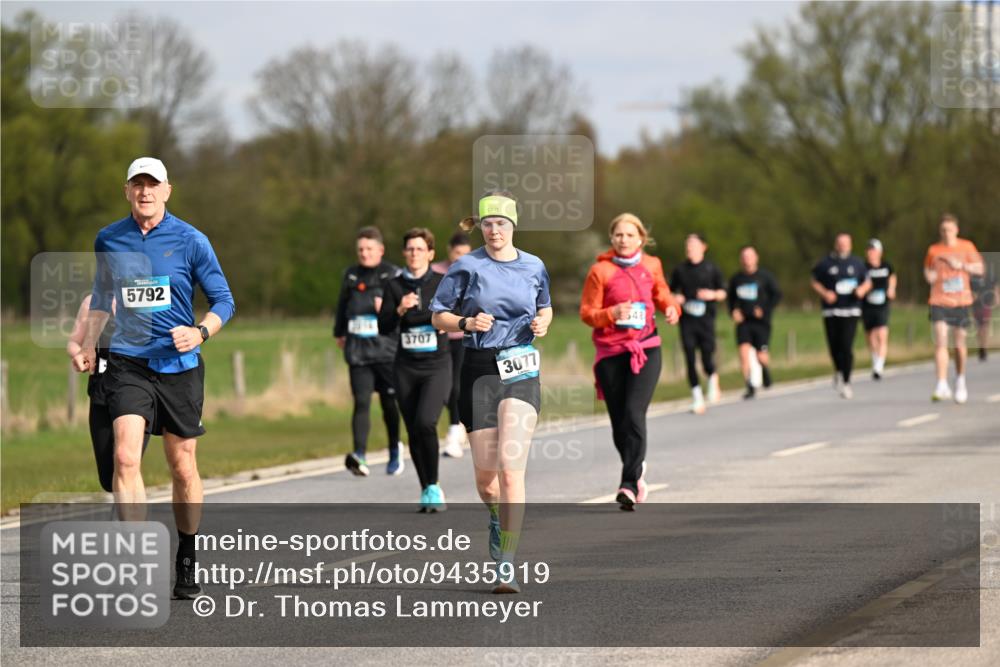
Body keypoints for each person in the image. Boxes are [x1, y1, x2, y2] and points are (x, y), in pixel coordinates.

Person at [80, 157, 236, 600]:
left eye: (153, 185)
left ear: (168, 190)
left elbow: (224, 300)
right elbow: (103, 296)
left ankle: (186, 556)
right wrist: (89, 343)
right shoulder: (109, 238)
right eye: (137, 185)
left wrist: (200, 331)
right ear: (126, 190)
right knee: (126, 459)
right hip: (128, 363)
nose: (145, 192)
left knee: (183, 467)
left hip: (179, 368)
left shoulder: (191, 240)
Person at [431, 190, 553, 594]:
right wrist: (466, 323)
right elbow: (437, 317)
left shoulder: (534, 265)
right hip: (480, 369)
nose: (494, 230)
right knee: (487, 483)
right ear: (479, 226)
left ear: (513, 225)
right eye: (487, 223)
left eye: (501, 223)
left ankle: (507, 564)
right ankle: (498, 520)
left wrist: (543, 323)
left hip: (520, 368)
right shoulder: (466, 267)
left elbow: (545, 306)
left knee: (510, 468)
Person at [580, 213, 679, 511]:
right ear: (612, 239)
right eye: (618, 235)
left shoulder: (652, 265)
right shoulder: (601, 271)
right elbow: (587, 312)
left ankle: (628, 483)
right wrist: (611, 314)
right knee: (619, 422)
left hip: (646, 348)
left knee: (634, 412)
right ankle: (636, 468)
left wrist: (672, 308)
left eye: (630, 235)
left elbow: (662, 294)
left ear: (641, 239)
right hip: (611, 353)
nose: (624, 240)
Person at [379, 228, 451, 512]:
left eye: (420, 249)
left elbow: (447, 318)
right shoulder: (394, 285)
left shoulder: (443, 283)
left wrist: (423, 315)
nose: (414, 253)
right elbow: (383, 326)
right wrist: (398, 309)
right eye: (409, 249)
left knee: (426, 422)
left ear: (430, 253)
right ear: (404, 253)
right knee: (412, 429)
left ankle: (434, 484)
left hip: (437, 365)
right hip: (405, 366)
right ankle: (426, 489)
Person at [333, 227, 404, 477]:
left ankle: (395, 450)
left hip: (386, 351)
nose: (364, 253)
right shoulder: (351, 275)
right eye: (360, 249)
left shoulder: (393, 274)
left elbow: (403, 310)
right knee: (361, 402)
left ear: (380, 250)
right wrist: (339, 332)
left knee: (389, 404)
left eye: (369, 249)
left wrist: (385, 308)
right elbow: (342, 306)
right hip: (358, 351)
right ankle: (360, 456)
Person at [67, 295, 150, 492]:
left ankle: (129, 520)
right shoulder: (91, 302)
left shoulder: (144, 296)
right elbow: (73, 342)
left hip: (137, 390)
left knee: (127, 463)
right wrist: (80, 354)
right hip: (102, 391)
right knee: (108, 478)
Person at [924, 214, 984, 403]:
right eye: (943, 230)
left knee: (959, 345)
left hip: (960, 301)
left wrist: (963, 265)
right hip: (939, 300)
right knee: (941, 341)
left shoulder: (966, 247)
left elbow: (980, 268)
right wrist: (929, 276)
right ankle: (941, 383)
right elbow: (927, 268)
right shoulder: (934, 249)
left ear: (956, 230)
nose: (946, 233)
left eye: (949, 229)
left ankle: (960, 380)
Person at [669, 234, 726, 414]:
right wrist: (675, 298)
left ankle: (712, 377)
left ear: (703, 247)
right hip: (687, 320)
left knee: (707, 355)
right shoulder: (680, 270)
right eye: (687, 245)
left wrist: (712, 295)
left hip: (706, 319)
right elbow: (669, 292)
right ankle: (697, 397)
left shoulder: (711, 268)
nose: (689, 248)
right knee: (690, 357)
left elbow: (724, 292)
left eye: (693, 244)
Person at [811, 233, 870, 399]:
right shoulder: (825, 263)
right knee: (834, 346)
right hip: (831, 310)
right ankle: (838, 369)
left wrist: (861, 290)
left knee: (846, 345)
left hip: (851, 310)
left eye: (846, 243)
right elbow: (814, 281)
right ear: (836, 244)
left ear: (850, 245)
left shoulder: (857, 263)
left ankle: (846, 381)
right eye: (840, 243)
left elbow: (867, 281)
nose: (843, 246)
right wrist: (825, 293)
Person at [431, 231, 473, 458]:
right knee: (444, 387)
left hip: (463, 338)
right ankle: (458, 426)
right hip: (440, 338)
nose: (460, 258)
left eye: (465, 254)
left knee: (457, 385)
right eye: (457, 253)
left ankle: (455, 431)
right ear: (449, 251)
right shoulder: (437, 272)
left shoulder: (473, 271)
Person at [727, 246, 782, 399]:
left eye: (750, 256)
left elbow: (777, 295)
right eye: (744, 257)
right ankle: (749, 385)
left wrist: (764, 309)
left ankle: (765, 370)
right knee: (743, 354)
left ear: (756, 258)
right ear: (741, 259)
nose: (747, 260)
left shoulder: (765, 277)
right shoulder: (736, 279)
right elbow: (730, 299)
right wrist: (733, 311)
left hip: (761, 322)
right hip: (744, 322)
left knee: (761, 355)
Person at [862, 239, 897, 380]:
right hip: (867, 305)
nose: (871, 253)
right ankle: (875, 359)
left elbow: (893, 277)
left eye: (874, 250)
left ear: (880, 252)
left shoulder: (886, 266)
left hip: (882, 305)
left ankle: (879, 366)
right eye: (869, 250)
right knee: (870, 336)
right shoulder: (863, 267)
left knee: (882, 334)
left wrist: (892, 289)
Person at [971, 264, 998, 362]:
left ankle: (984, 347)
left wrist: (997, 298)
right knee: (979, 327)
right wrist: (973, 296)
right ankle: (981, 346)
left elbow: (995, 288)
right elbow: (970, 291)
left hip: (986, 303)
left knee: (985, 326)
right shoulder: (973, 279)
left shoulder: (990, 277)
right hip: (977, 305)